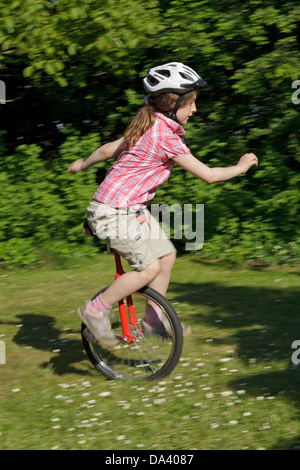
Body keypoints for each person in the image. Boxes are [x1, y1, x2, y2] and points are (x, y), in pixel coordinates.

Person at [68, 62, 258, 346]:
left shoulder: (148, 123)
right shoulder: (165, 137)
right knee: (148, 270)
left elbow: (108, 149)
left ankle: (153, 320)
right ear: (172, 102)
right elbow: (208, 175)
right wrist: (241, 168)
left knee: (166, 256)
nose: (194, 110)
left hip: (128, 209)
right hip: (114, 213)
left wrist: (83, 164)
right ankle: (95, 309)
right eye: (191, 103)